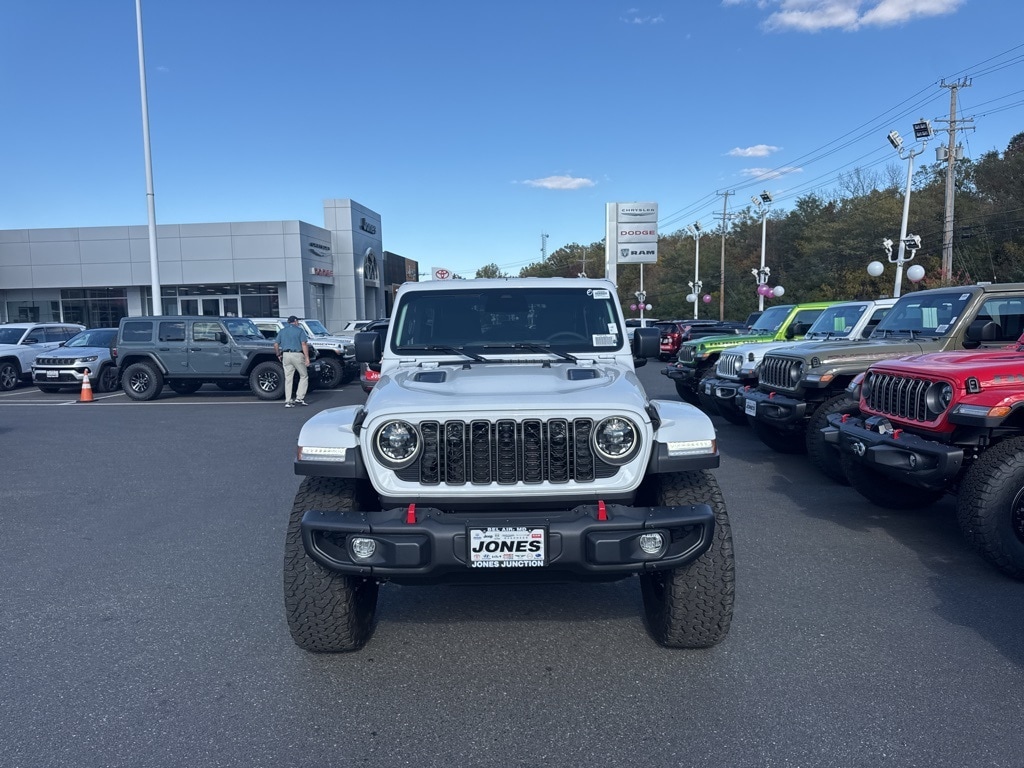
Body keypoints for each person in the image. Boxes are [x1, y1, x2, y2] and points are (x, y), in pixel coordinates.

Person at [273, 316, 311, 407]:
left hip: (286, 355)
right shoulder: (300, 331)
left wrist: (278, 354)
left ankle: (288, 400)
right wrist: (307, 357)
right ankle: (299, 397)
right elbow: (304, 344)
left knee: (288, 378)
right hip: (297, 354)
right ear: (295, 321)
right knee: (304, 375)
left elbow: (276, 344)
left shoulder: (282, 331)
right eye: (297, 321)